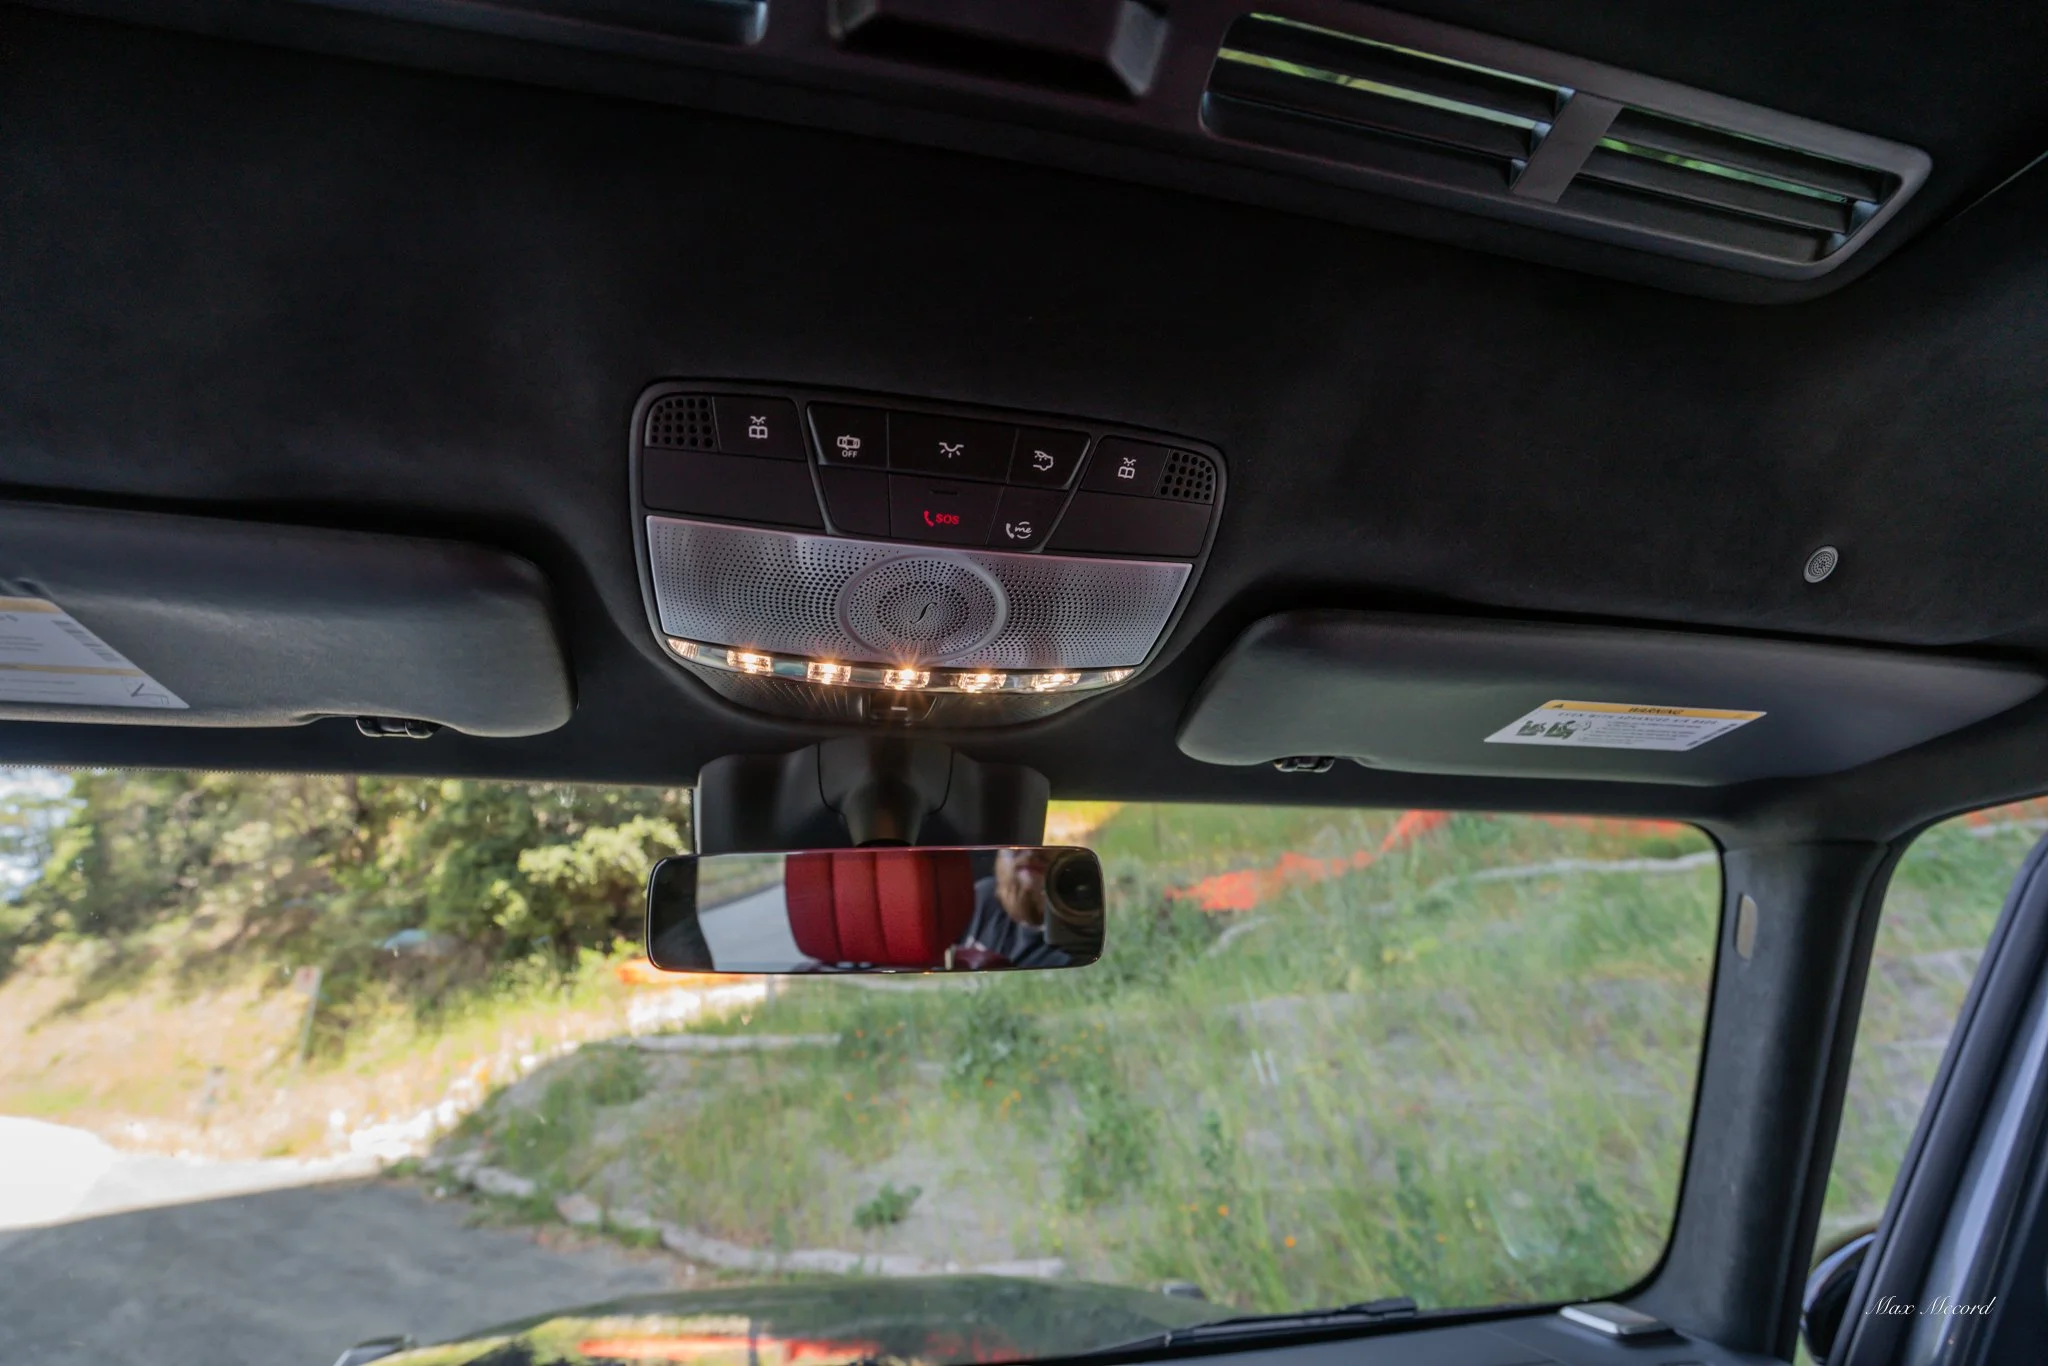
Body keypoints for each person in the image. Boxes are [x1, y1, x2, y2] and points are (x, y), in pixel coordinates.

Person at [957, 848, 1073, 969]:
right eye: (1016, 847)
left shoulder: (1073, 949)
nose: (1031, 852)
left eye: (1049, 845)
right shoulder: (981, 898)